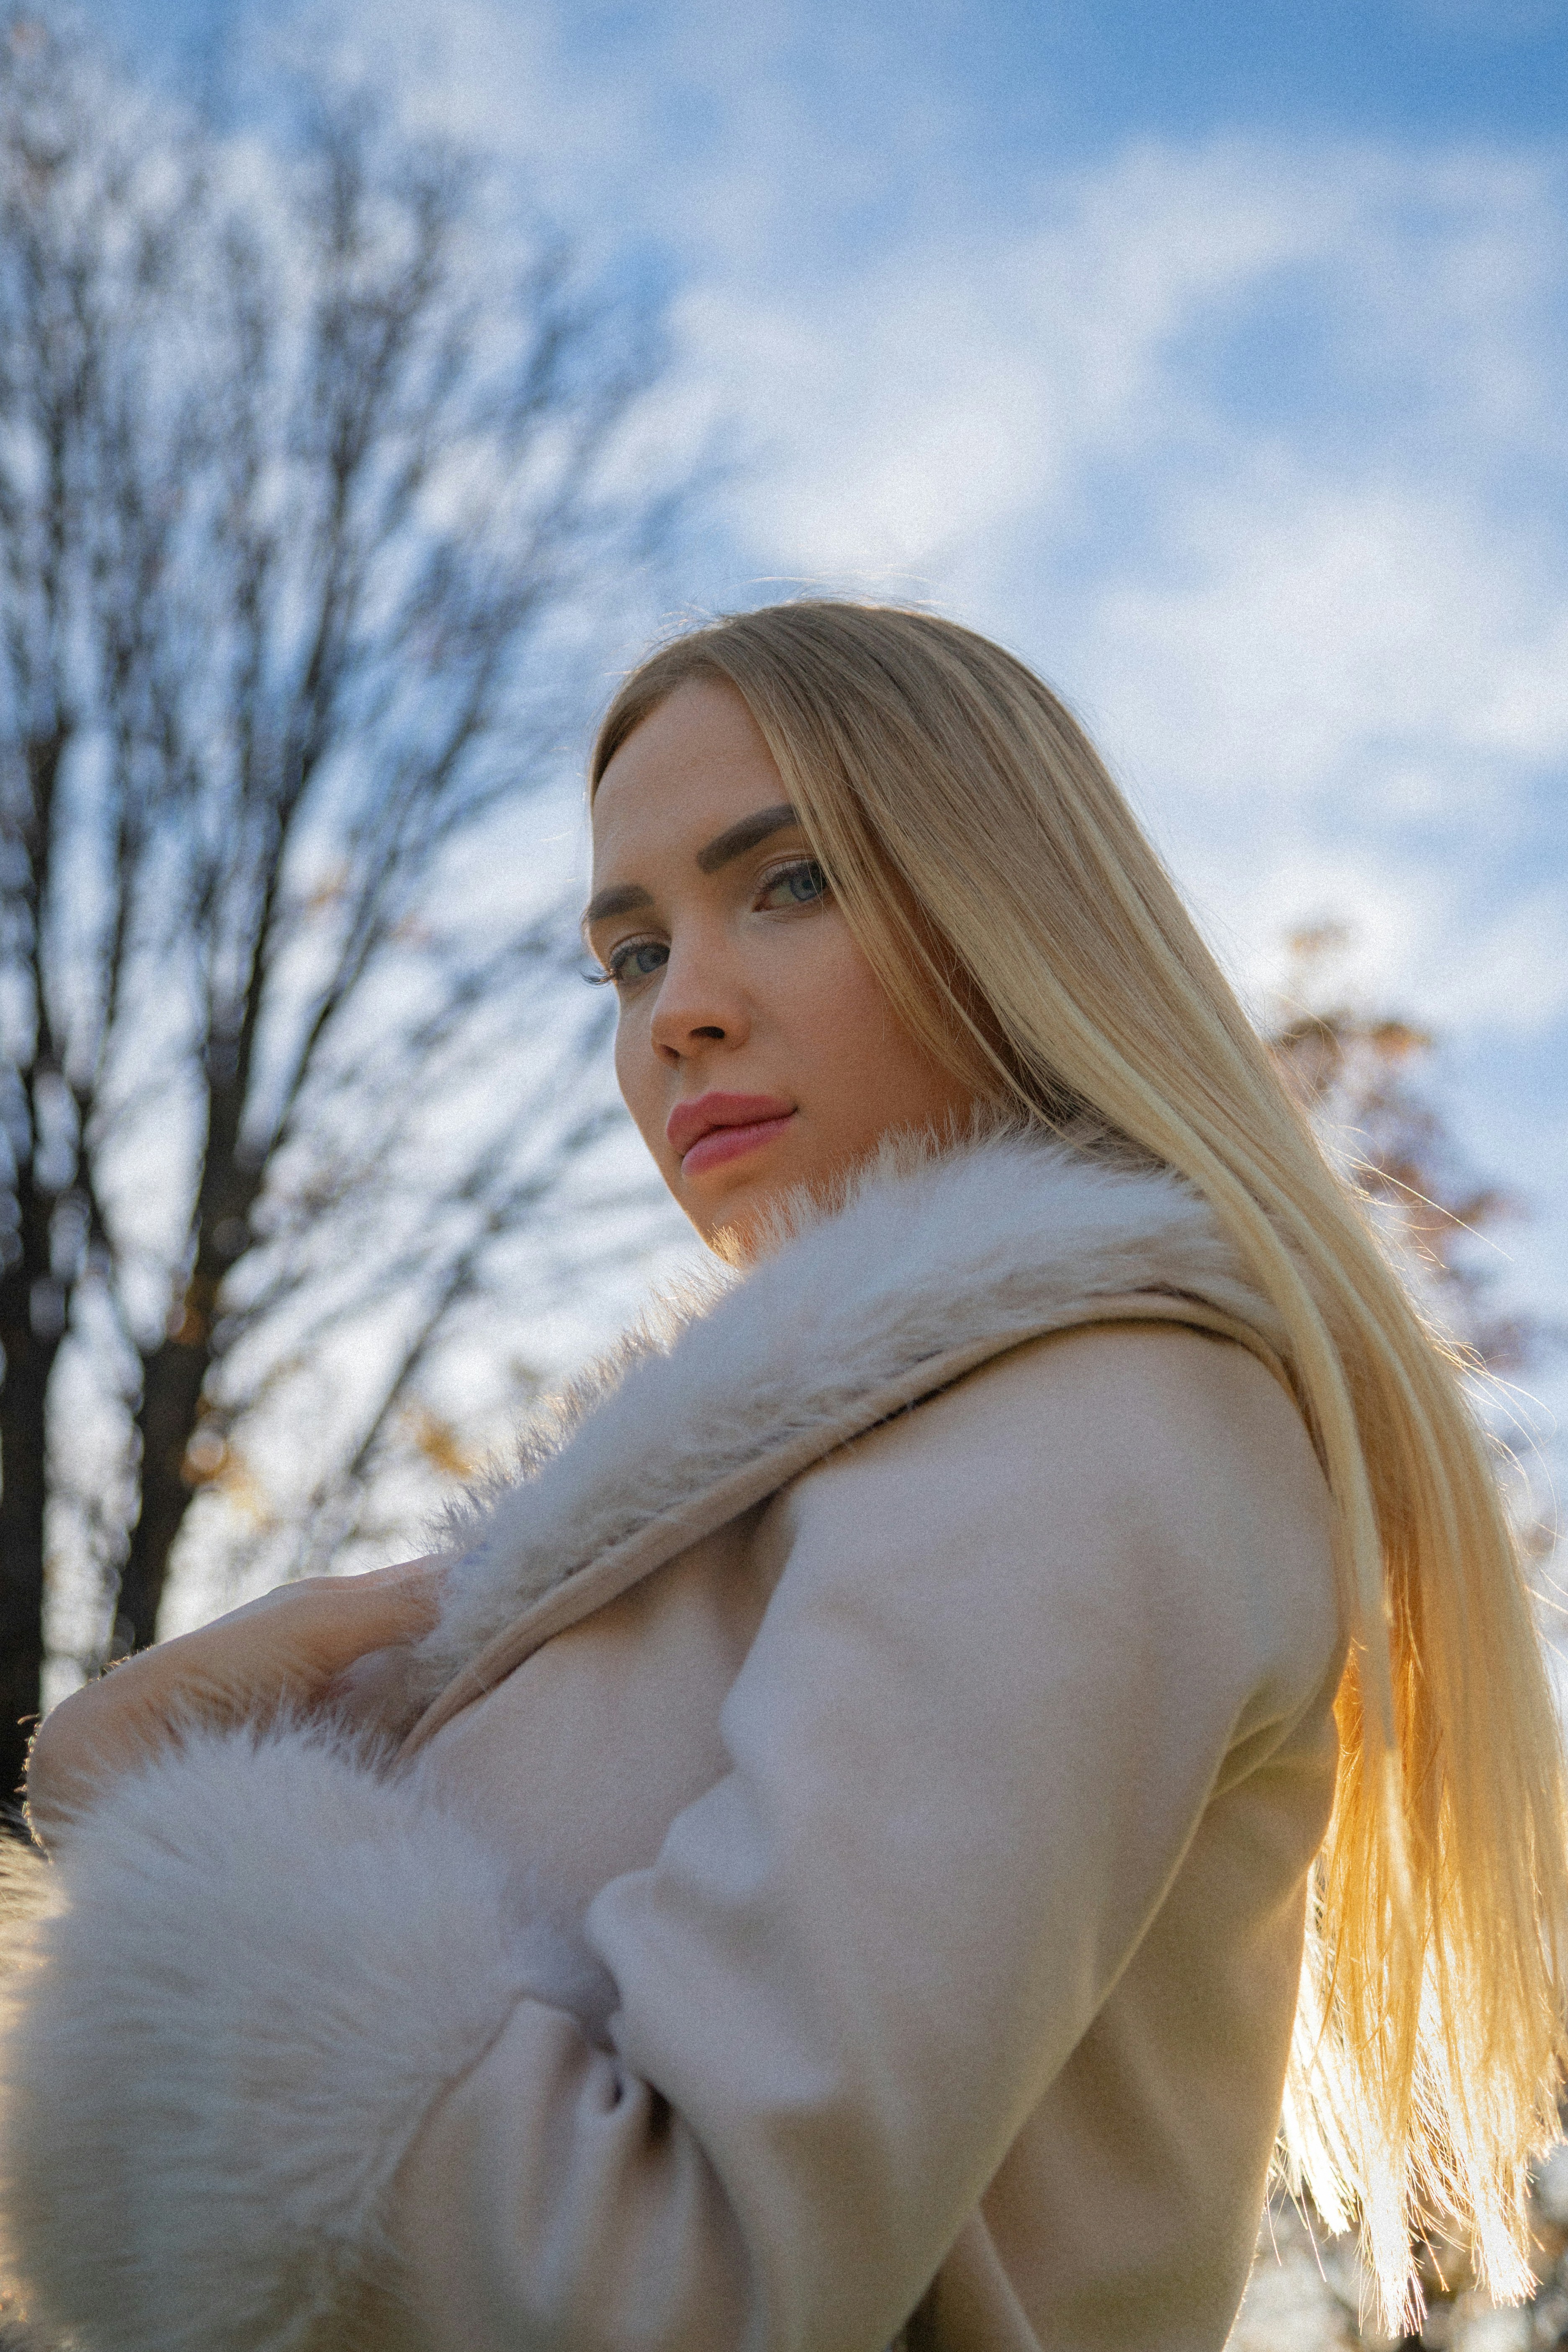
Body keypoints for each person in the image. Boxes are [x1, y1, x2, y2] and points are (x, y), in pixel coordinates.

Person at [2, 602, 1563, 2352]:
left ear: (1013, 910)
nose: (679, 1012)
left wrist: (159, 1815)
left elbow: (665, 2285)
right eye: (629, 954)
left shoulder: (1089, 1403)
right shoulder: (893, 1451)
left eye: (791, 881)